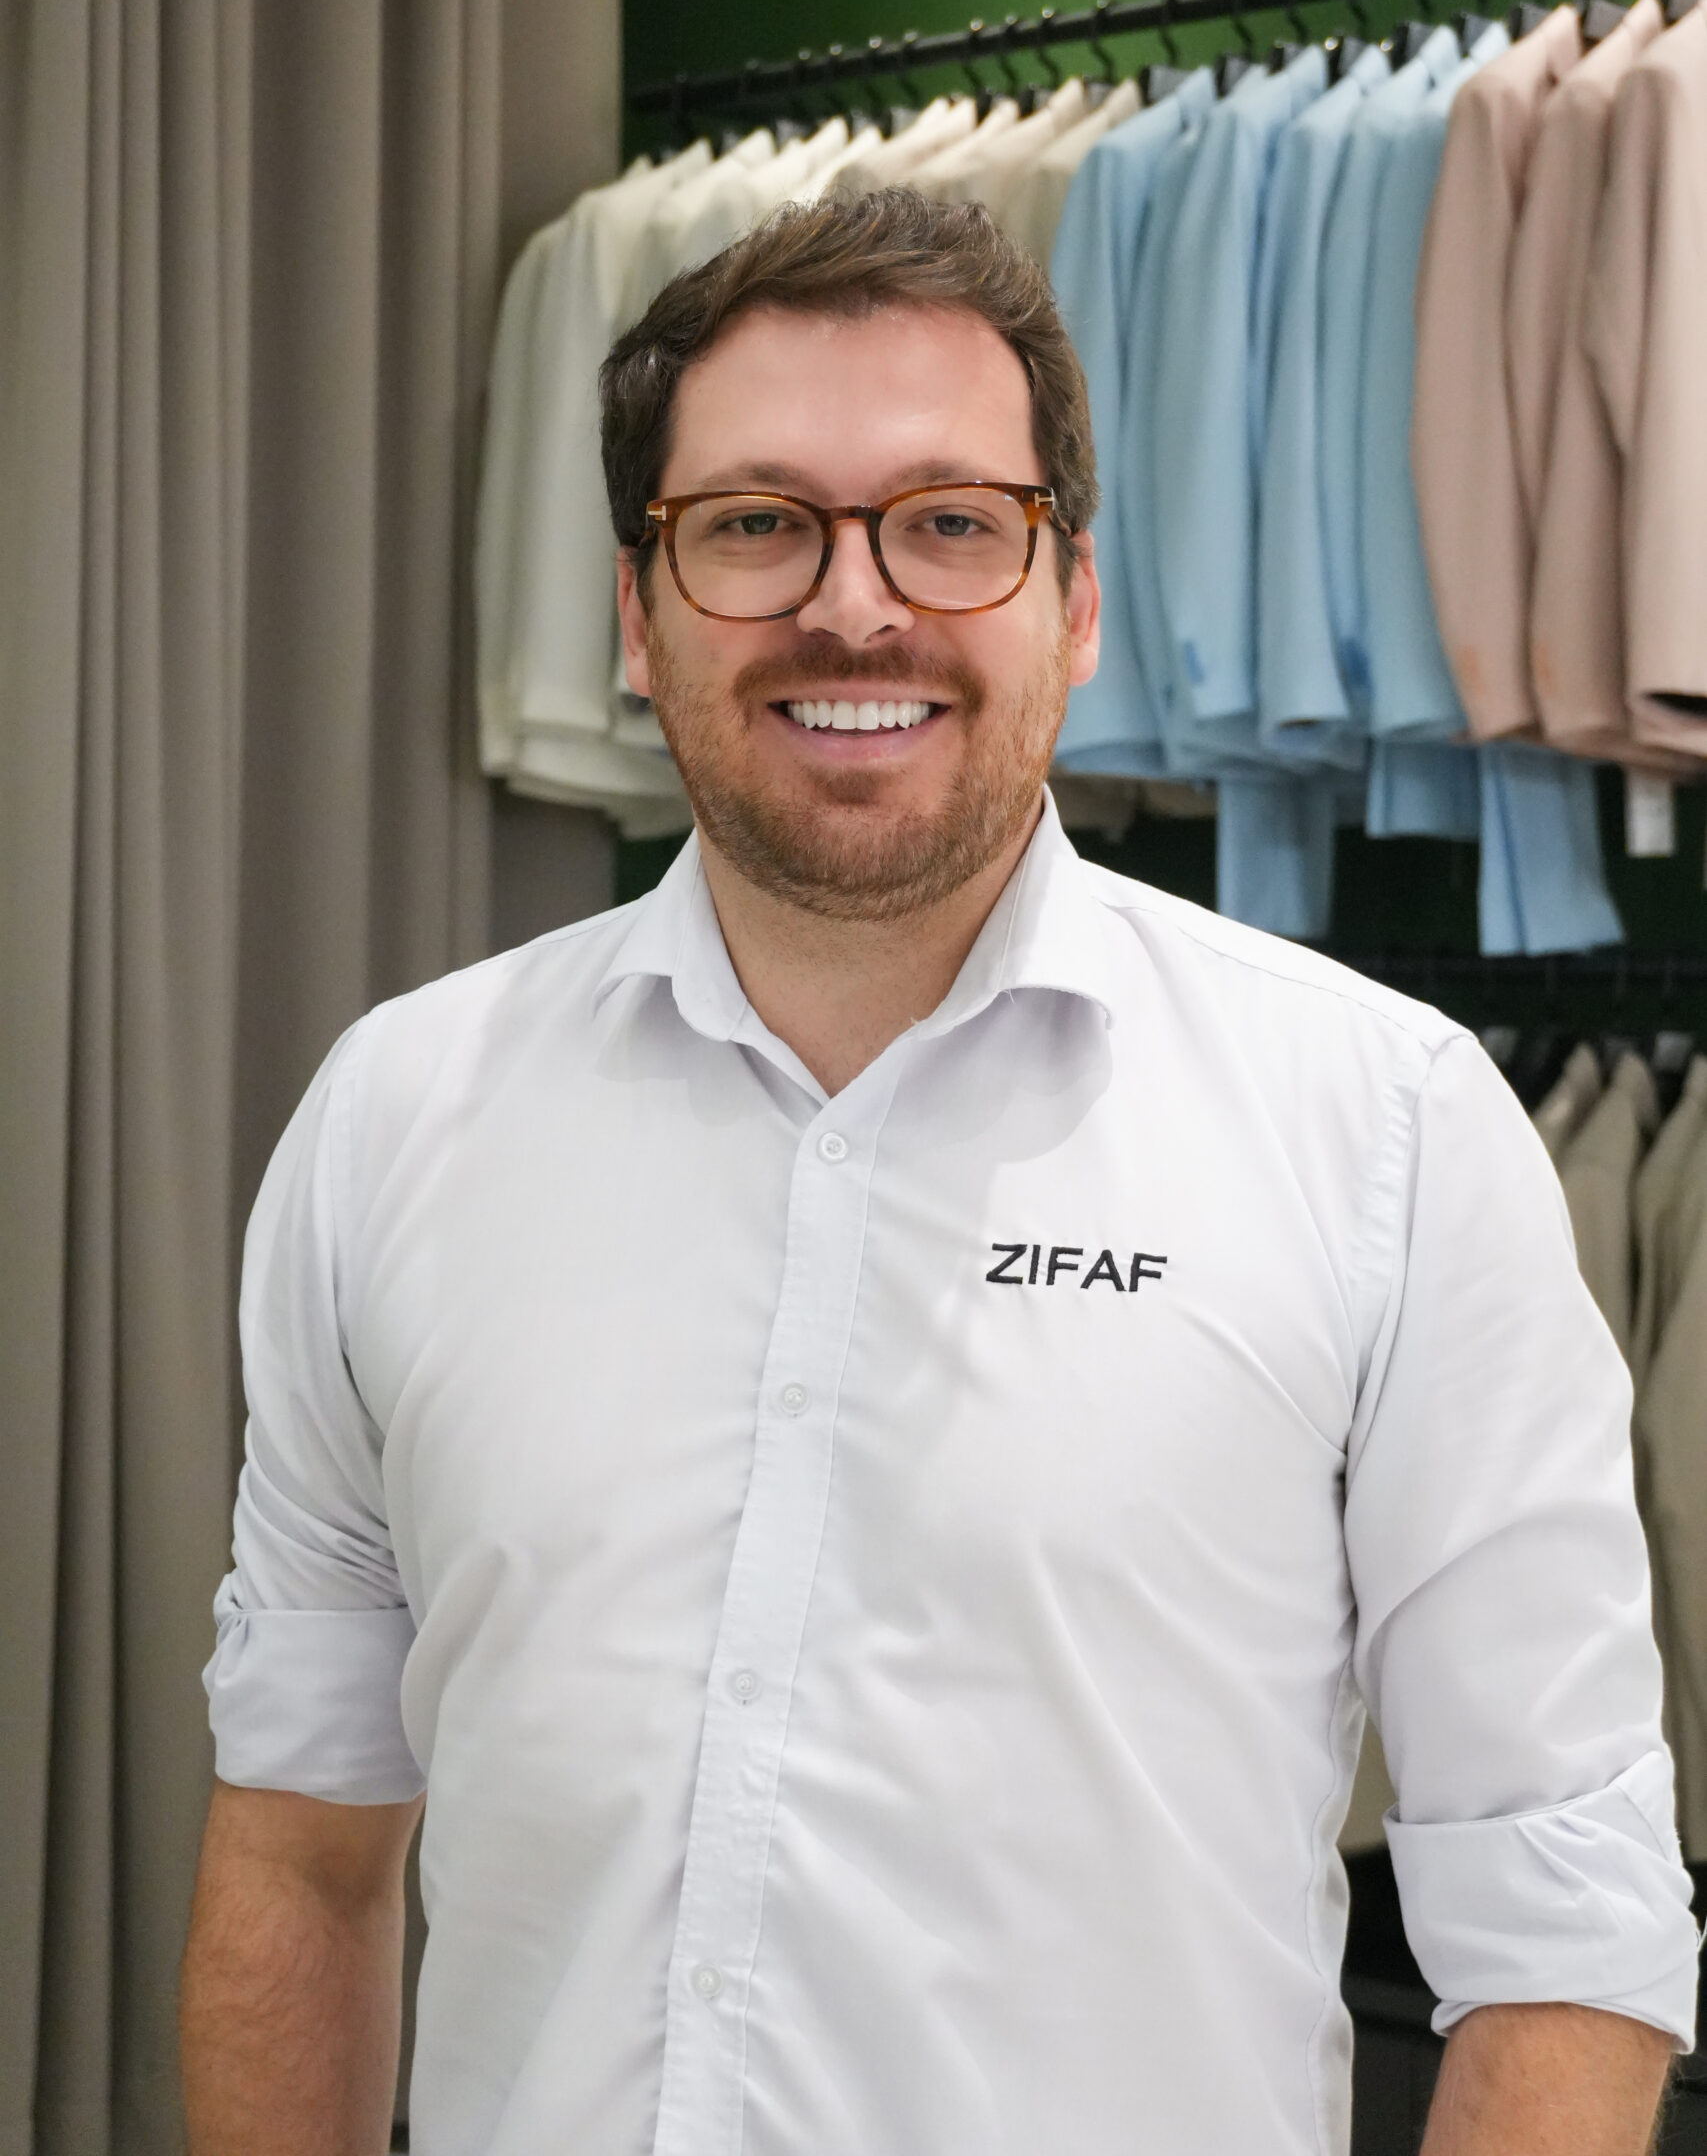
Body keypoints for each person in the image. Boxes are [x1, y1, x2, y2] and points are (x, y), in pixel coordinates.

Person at [181, 189, 1696, 2156]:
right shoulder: (399, 1117)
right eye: (755, 524)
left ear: (1075, 601)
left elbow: (1561, 1923)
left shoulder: (1383, 1132)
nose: (854, 604)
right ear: (636, 613)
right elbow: (301, 1851)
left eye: (950, 522)